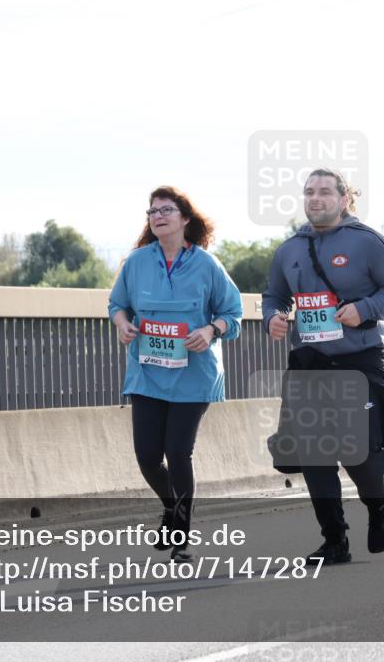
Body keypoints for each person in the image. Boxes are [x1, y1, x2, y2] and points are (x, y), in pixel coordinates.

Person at [262, 168, 384, 564]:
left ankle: (379, 504)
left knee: (358, 450)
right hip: (309, 360)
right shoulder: (290, 249)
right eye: (309, 192)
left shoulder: (367, 241)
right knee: (314, 453)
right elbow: (274, 296)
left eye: (325, 192)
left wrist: (364, 309)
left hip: (358, 357)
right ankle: (334, 540)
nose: (315, 198)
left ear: (344, 199)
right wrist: (273, 317)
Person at [109, 186, 242, 562]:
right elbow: (117, 304)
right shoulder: (136, 262)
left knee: (178, 452)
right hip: (147, 373)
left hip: (193, 376)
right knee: (148, 456)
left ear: (185, 218)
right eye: (152, 211)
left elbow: (233, 315)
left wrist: (210, 330)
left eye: (166, 210)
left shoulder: (207, 265)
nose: (157, 216)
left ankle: (181, 535)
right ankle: (171, 506)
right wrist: (122, 324)